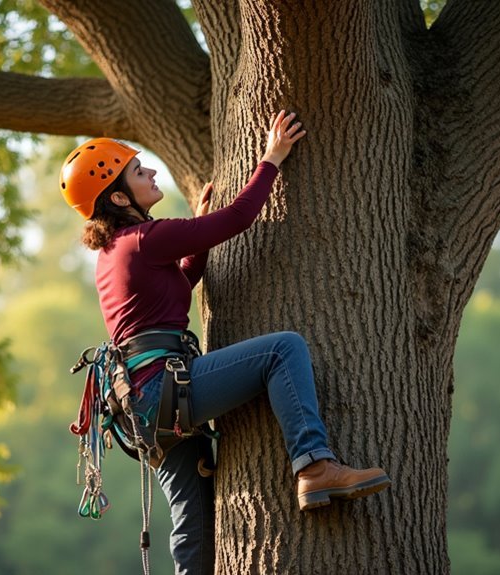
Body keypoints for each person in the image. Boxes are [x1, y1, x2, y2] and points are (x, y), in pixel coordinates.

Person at [60, 111, 390, 574]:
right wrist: (272, 159)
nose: (150, 171)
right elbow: (238, 218)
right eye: (137, 171)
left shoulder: (117, 252)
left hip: (144, 409)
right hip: (163, 390)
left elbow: (178, 287)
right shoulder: (145, 239)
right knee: (282, 350)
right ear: (118, 197)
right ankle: (314, 466)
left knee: (193, 527)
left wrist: (196, 233)